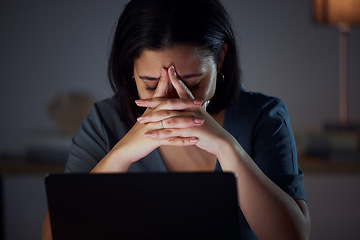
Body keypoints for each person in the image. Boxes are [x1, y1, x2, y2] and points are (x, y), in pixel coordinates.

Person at [42, 0, 310, 239]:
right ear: (130, 72)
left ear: (220, 58)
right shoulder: (104, 122)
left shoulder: (263, 116)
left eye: (191, 84)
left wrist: (226, 147)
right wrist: (121, 155)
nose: (171, 99)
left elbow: (292, 236)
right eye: (150, 85)